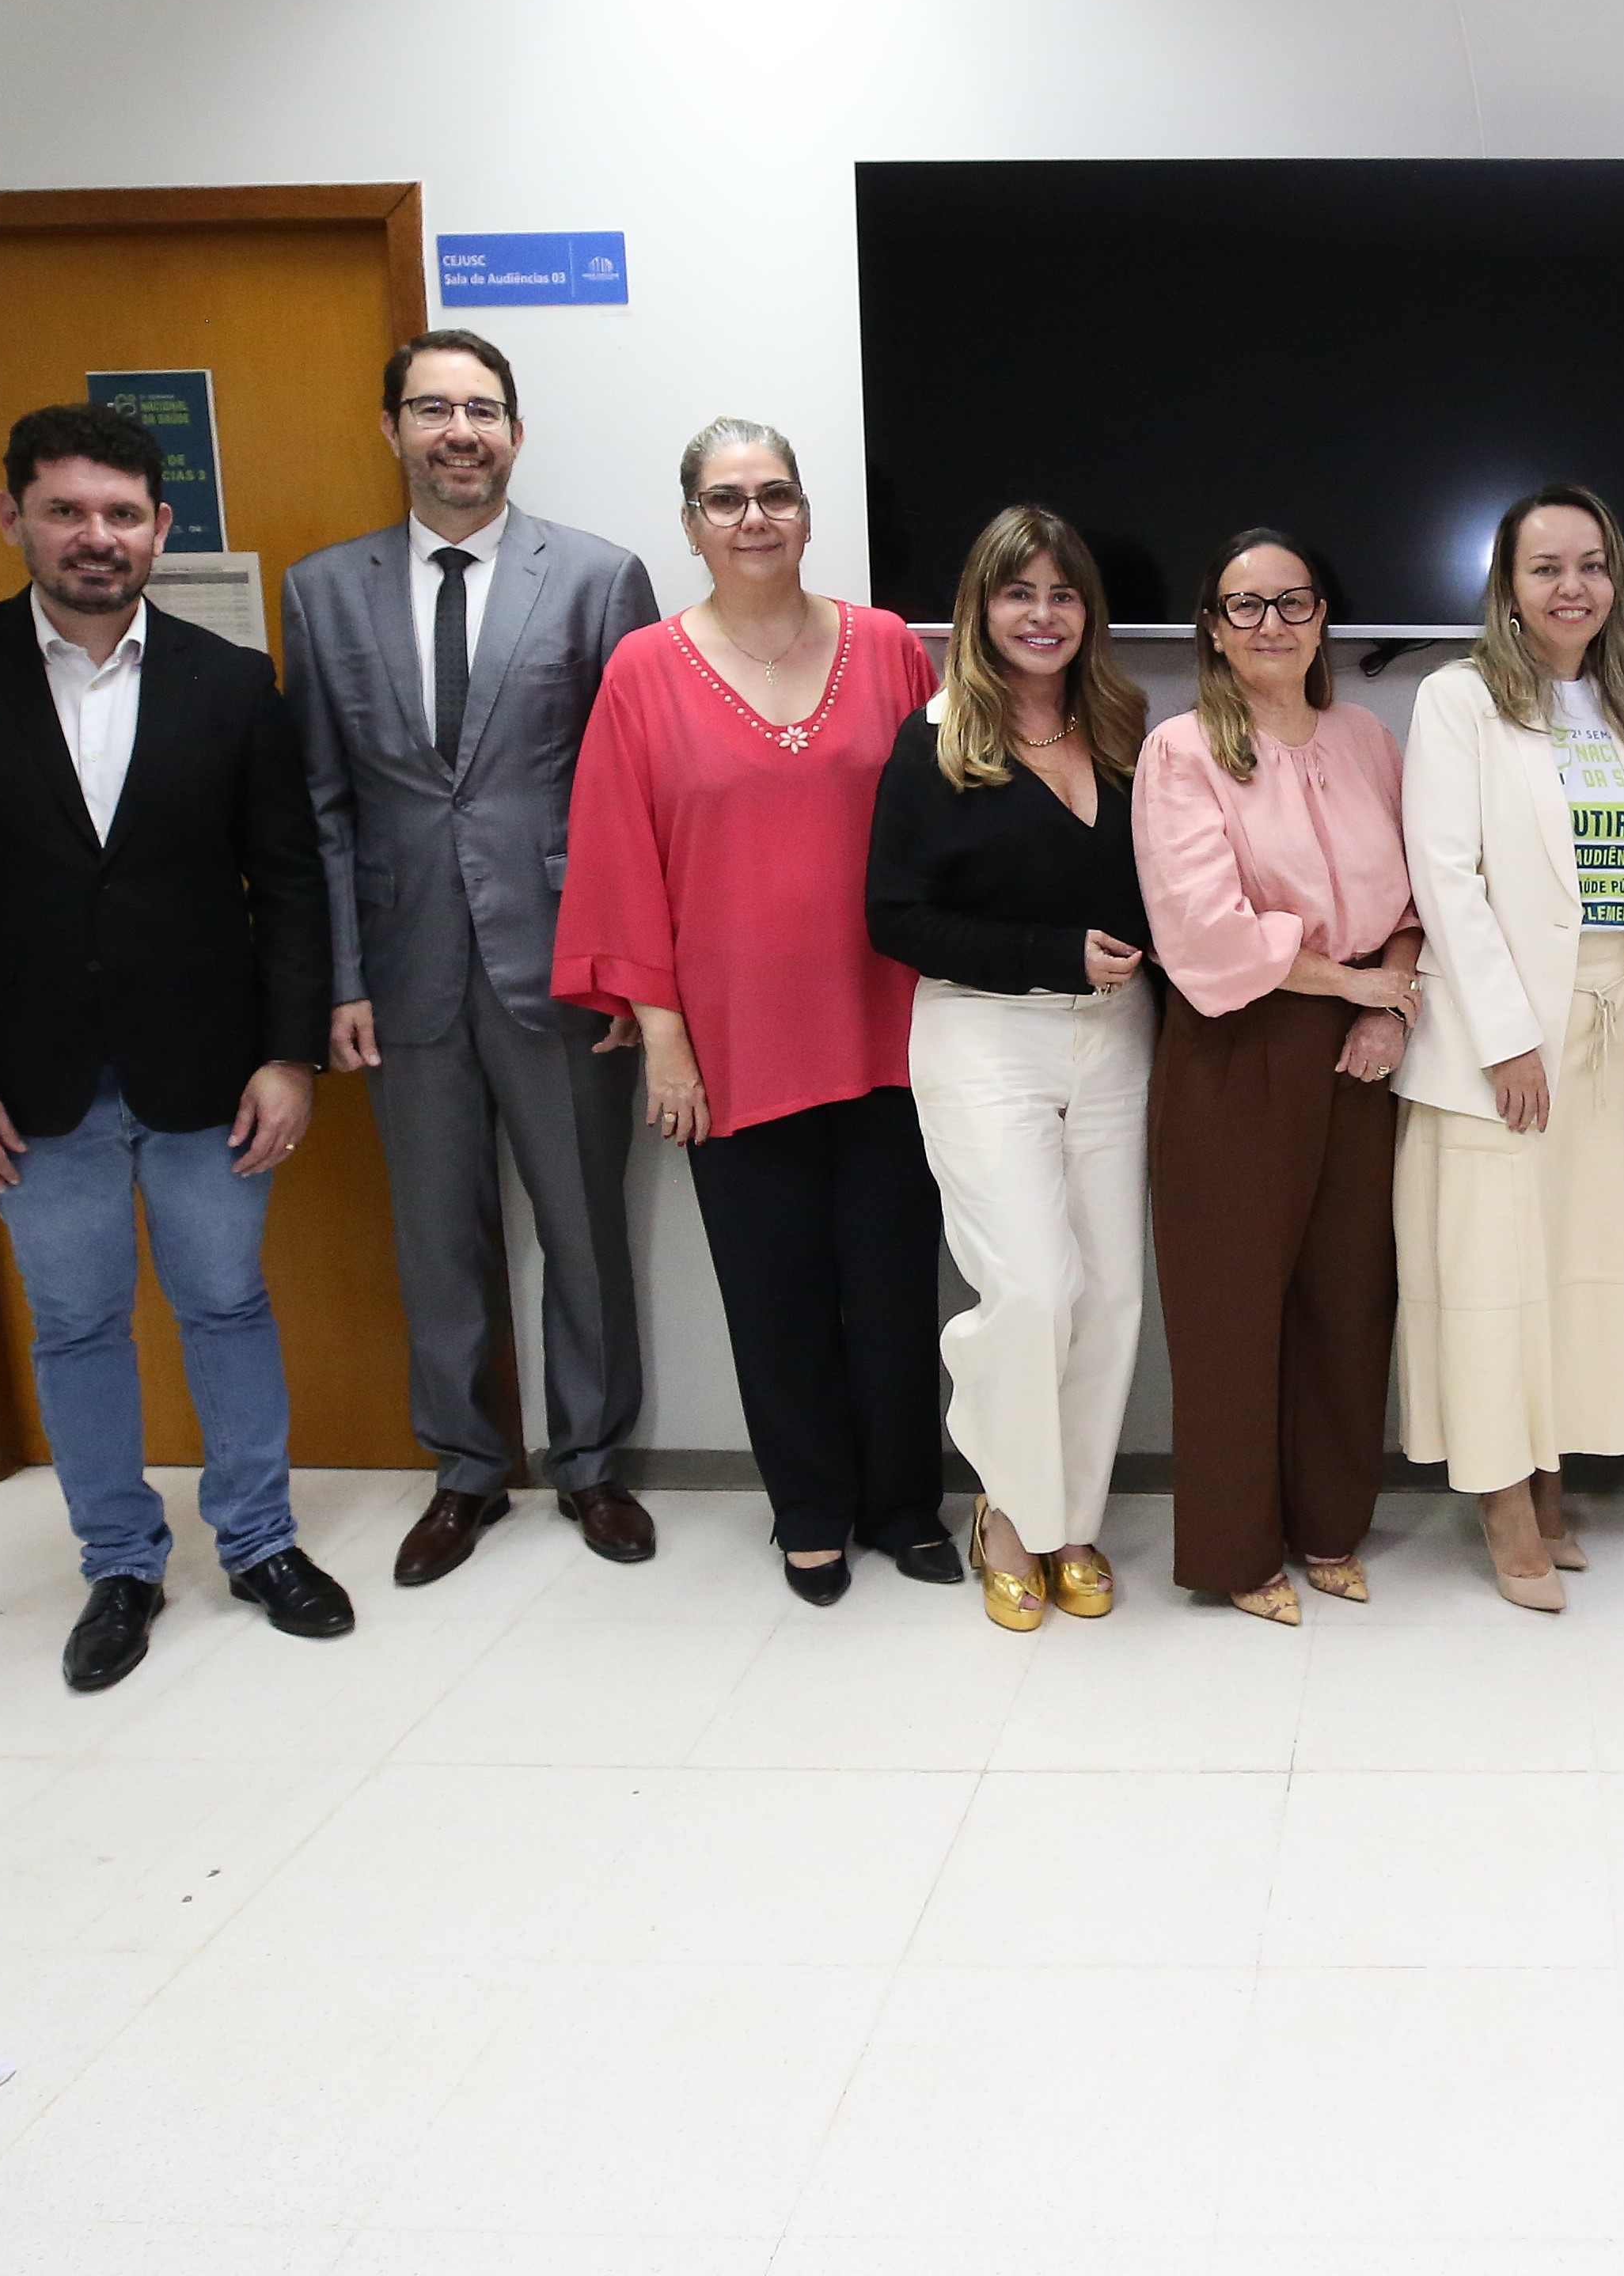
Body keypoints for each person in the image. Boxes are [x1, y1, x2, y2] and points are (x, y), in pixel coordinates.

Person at [0, 403, 344, 1693]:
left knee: (227, 1304)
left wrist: (290, 1053)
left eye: (122, 513)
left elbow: (288, 881)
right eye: (66, 509)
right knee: (74, 1325)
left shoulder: (228, 679)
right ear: (10, 515)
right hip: (24, 1083)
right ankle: (119, 1561)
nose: (95, 536)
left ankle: (259, 1541)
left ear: (160, 529)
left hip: (209, 1070)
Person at [282, 330, 666, 1588]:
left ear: (515, 429)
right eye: (433, 408)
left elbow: (634, 796)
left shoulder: (600, 576)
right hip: (399, 972)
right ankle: (463, 1469)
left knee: (583, 1229)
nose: (460, 431)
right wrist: (339, 975)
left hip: (563, 967)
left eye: (484, 409)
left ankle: (593, 1462)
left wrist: (630, 971)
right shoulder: (323, 590)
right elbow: (321, 803)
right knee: (434, 1233)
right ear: (390, 426)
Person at [556, 417, 958, 1606]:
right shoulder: (641, 669)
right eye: (724, 500)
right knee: (773, 1291)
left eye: (774, 493)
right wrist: (665, 1035)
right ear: (689, 525)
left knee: (892, 1285)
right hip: (729, 1046)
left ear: (808, 512)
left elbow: (951, 815)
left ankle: (902, 1503)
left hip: (889, 1023)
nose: (753, 518)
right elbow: (618, 858)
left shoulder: (889, 649)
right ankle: (811, 1510)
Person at [867, 506, 1155, 1633]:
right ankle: (1004, 1512)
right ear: (979, 608)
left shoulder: (1129, 728)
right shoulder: (933, 737)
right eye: (1017, 593)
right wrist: (1049, 955)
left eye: (1063, 594)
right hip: (984, 1033)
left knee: (1111, 1292)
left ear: (1089, 611)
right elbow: (894, 916)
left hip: (1118, 1035)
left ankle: (1070, 1519)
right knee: (1031, 1288)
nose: (1043, 615)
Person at [1136, 531, 1422, 1623]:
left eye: (1292, 602)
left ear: (1321, 618)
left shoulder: (1365, 739)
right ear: (1211, 627)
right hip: (1239, 1046)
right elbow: (1204, 936)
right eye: (1243, 607)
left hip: (1362, 1047)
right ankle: (1237, 1548)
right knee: (1231, 1308)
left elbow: (1406, 906)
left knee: (1347, 1299)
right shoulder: (1182, 750)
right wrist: (1354, 991)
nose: (1271, 625)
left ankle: (1329, 1525)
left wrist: (1390, 1004)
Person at [1394, 485, 1624, 1612]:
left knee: (1573, 1268)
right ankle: (1501, 1495)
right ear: (1505, 585)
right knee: (1495, 1272)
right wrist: (1508, 1038)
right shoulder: (1456, 699)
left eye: (1592, 565)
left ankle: (1551, 1473)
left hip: (1611, 1020)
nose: (1572, 588)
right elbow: (1444, 876)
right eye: (1545, 566)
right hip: (1497, 1032)